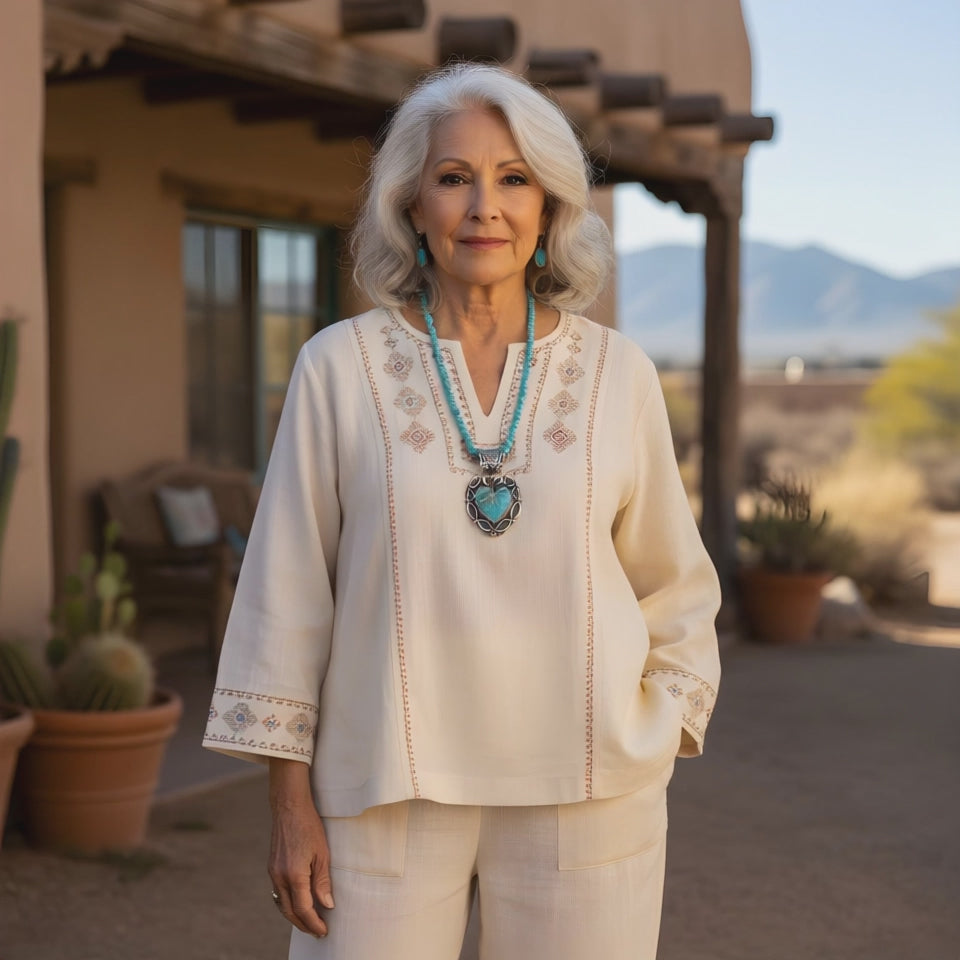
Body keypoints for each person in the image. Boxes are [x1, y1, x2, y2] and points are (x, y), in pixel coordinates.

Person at [203, 62, 721, 960]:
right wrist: (290, 805)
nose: (485, 206)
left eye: (513, 178)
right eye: (454, 177)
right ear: (411, 205)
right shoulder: (339, 368)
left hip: (587, 789)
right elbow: (286, 595)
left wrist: (662, 716)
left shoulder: (617, 375)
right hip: (380, 786)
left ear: (552, 207)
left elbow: (674, 582)